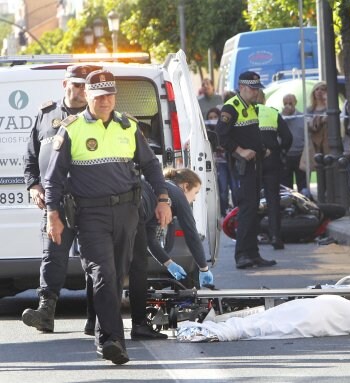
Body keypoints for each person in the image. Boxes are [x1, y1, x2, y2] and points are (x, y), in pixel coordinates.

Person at [43, 69, 172, 365]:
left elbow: (151, 166)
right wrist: (53, 214)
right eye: (99, 95)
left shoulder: (128, 126)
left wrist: (163, 199)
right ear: (87, 95)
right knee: (103, 274)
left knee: (116, 276)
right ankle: (113, 341)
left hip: (127, 212)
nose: (105, 101)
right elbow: (54, 179)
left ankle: (106, 336)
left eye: (109, 95)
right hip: (90, 214)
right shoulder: (71, 128)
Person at [85, 168, 215, 339]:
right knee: (138, 268)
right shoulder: (176, 192)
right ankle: (139, 325)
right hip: (131, 212)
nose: (195, 198)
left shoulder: (155, 190)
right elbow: (191, 234)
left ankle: (92, 321)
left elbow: (150, 240)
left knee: (100, 266)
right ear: (185, 186)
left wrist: (168, 263)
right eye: (195, 192)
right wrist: (204, 268)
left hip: (109, 209)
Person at [21, 64, 100, 333]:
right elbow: (31, 158)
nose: (79, 91)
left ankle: (96, 317)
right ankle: (46, 311)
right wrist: (33, 185)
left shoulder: (97, 115)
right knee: (52, 257)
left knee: (95, 260)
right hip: (56, 202)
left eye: (84, 86)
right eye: (75, 84)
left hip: (91, 201)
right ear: (63, 84)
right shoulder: (46, 115)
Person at [215, 71, 276, 269]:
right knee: (246, 210)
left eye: (257, 89)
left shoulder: (251, 107)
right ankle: (242, 254)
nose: (256, 92)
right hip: (241, 167)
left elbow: (251, 134)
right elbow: (221, 136)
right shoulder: (231, 108)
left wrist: (261, 149)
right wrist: (240, 151)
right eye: (252, 89)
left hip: (255, 164)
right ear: (241, 88)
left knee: (254, 208)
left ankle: (253, 253)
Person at [256, 90, 293, 250]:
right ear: (263, 99)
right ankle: (275, 236)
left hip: (253, 161)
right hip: (272, 160)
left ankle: (255, 234)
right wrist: (279, 150)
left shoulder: (244, 113)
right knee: (273, 200)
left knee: (252, 199)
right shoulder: (272, 113)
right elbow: (288, 138)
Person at [206, 107, 236, 216]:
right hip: (219, 164)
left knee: (235, 188)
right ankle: (224, 212)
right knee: (223, 189)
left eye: (215, 117)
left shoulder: (226, 128)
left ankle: (235, 211)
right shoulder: (207, 132)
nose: (213, 119)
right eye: (210, 117)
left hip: (230, 161)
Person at [280, 93, 308, 194]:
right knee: (286, 185)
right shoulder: (279, 117)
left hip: (300, 155)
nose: (288, 105)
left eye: (290, 103)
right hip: (286, 155)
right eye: (285, 103)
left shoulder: (302, 116)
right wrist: (283, 117)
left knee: (302, 184)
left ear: (295, 103)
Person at [306, 81, 330, 156]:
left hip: (327, 143)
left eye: (322, 89)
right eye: (317, 89)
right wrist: (321, 120)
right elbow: (308, 125)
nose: (319, 91)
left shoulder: (330, 108)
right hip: (313, 144)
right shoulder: (309, 110)